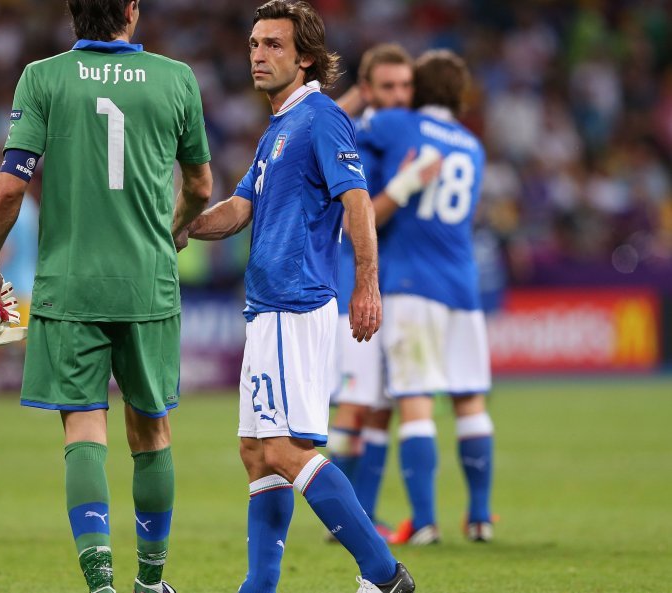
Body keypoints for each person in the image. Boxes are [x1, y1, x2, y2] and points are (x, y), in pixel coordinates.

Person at [0, 1, 213, 591]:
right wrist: (174, 231)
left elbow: (7, 187)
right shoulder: (177, 78)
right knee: (151, 430)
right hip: (147, 281)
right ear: (131, 10)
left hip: (69, 285)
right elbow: (201, 185)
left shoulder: (43, 76)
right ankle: (150, 583)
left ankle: (100, 585)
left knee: (83, 427)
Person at [180, 3, 414, 592]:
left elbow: (356, 199)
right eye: (254, 43)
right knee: (257, 453)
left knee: (285, 448)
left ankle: (385, 575)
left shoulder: (320, 117)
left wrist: (367, 282)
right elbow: (239, 210)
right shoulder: (279, 128)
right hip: (265, 307)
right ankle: (259, 587)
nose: (258, 54)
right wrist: (177, 226)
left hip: (296, 301)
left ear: (304, 56)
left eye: (273, 45)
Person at [356, 49, 495, 544]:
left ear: (417, 90)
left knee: (415, 401)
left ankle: (426, 523)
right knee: (470, 400)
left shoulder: (398, 125)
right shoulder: (473, 146)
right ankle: (479, 517)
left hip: (412, 282)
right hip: (464, 284)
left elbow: (351, 129)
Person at [324, 44, 416, 534]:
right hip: (344, 286)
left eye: (405, 86)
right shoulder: (355, 137)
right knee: (357, 403)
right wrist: (403, 188)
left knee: (379, 406)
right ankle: (341, 521)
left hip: (379, 289)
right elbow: (354, 213)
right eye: (387, 87)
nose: (399, 96)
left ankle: (365, 515)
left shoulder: (396, 137)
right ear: (367, 90)